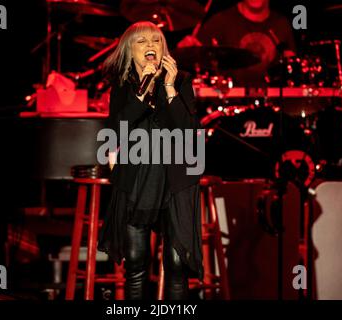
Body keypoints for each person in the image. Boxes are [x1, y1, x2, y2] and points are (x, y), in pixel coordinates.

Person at [97, 21, 203, 300]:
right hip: (138, 175)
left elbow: (188, 133)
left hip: (175, 176)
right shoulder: (122, 85)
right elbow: (116, 127)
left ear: (164, 50)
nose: (150, 47)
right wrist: (143, 91)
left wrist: (169, 88)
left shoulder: (181, 80)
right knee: (136, 262)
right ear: (129, 51)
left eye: (156, 41)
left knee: (177, 264)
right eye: (141, 42)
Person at [178, 0, 296, 87]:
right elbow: (191, 58)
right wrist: (183, 52)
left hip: (272, 108)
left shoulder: (282, 25)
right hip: (229, 107)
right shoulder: (220, 22)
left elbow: (292, 74)